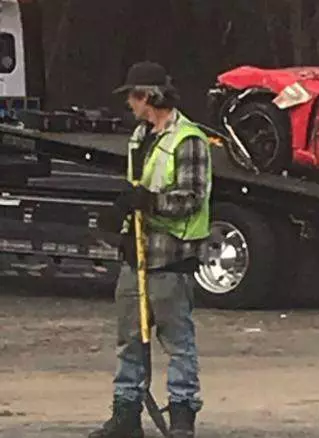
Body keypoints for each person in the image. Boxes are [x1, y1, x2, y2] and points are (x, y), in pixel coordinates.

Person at [89, 61, 212, 438]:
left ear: (149, 97)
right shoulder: (140, 137)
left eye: (133, 95)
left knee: (177, 343)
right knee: (129, 339)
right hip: (137, 255)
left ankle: (181, 417)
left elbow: (191, 198)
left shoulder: (188, 139)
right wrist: (123, 215)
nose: (129, 102)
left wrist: (148, 202)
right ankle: (126, 415)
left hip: (171, 258)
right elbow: (137, 188)